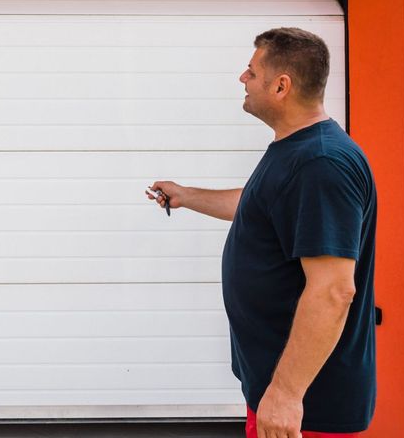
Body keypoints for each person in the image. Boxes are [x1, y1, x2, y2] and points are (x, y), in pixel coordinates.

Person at [146, 27, 377, 438]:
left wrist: (287, 394)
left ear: (281, 85)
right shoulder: (297, 150)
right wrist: (186, 196)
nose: (242, 79)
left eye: (251, 71)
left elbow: (333, 291)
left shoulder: (320, 164)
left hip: (307, 407)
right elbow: (259, 207)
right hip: (279, 391)